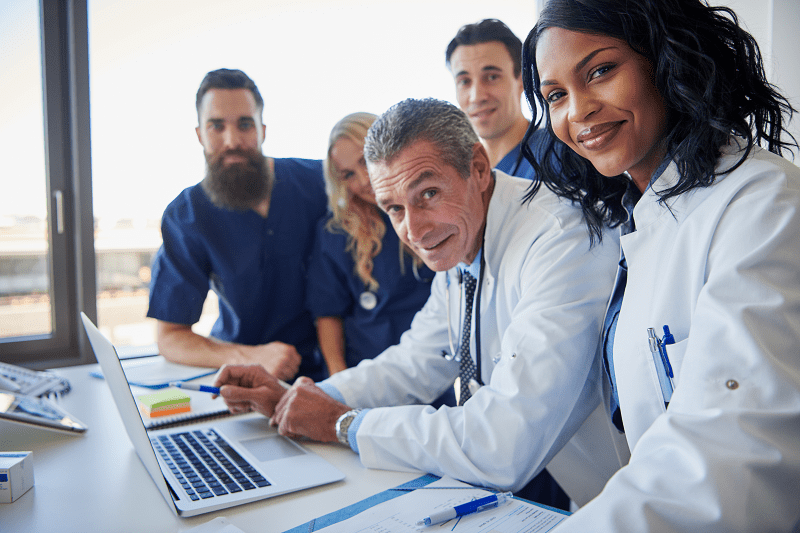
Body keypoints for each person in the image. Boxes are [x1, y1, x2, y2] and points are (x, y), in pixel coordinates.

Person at [213, 98, 624, 507]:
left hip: (635, 505)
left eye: (428, 193)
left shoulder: (561, 239)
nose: (414, 231)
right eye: (394, 208)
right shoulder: (463, 241)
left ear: (478, 168)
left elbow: (504, 443)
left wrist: (344, 425)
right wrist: (300, 399)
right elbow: (414, 362)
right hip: (593, 500)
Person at [521, 0, 800, 530]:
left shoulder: (764, 205)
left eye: (600, 71)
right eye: (555, 95)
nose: (577, 111)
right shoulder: (637, 217)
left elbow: (728, 457)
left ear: (668, 60)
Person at [147, 68, 327, 382]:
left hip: (336, 373)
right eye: (216, 126)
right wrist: (249, 357)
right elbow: (170, 337)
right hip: (244, 375)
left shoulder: (321, 185)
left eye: (245, 124)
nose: (232, 141)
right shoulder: (187, 215)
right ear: (200, 135)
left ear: (262, 130)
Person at [307, 112, 436, 375]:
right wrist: (337, 380)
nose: (364, 180)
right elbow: (328, 313)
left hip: (429, 365)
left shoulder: (431, 209)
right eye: (348, 174)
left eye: (365, 161)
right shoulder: (337, 233)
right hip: (364, 369)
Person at [446, 19, 547, 179]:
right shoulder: (462, 174)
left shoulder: (556, 157)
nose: (476, 97)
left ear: (522, 79)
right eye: (464, 81)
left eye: (492, 77)